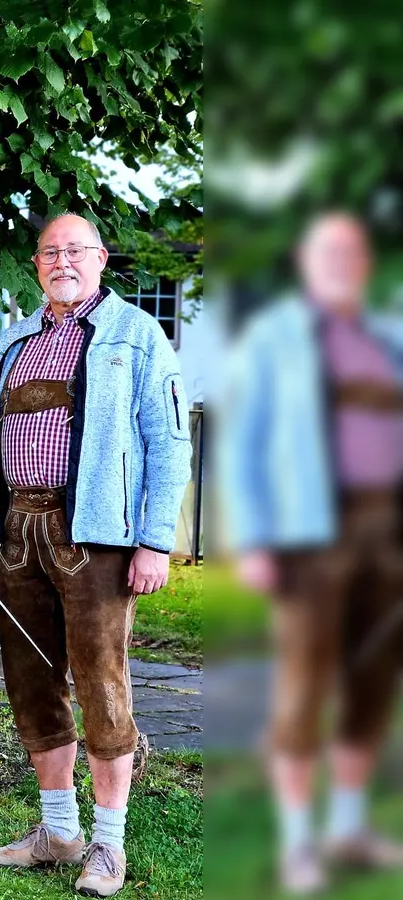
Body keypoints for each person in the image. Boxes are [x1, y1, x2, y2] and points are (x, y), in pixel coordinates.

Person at [0, 214, 191, 897]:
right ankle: (58, 830)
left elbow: (168, 442)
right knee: (31, 683)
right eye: (50, 252)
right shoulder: (14, 339)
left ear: (99, 259)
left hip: (97, 538)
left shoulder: (136, 335)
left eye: (75, 251)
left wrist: (155, 540)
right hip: (18, 531)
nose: (62, 261)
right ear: (37, 266)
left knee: (102, 684)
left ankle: (108, 845)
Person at [220, 212, 403, 894]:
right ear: (305, 262)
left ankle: (348, 826)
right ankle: (299, 839)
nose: (340, 263)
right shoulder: (275, 339)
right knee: (304, 684)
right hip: (308, 534)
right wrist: (256, 538)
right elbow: (242, 447)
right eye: (327, 252)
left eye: (351, 252)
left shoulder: (388, 339)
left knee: (374, 678)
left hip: (387, 531)